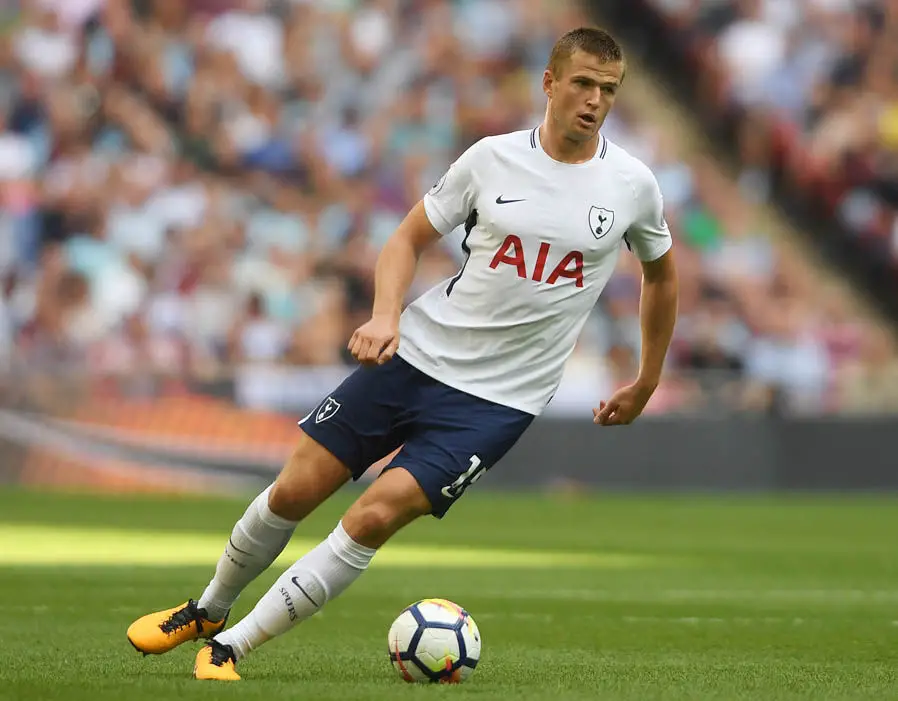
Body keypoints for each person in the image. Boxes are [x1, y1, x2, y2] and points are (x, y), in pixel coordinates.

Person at [126, 26, 679, 681]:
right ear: (550, 83)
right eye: (583, 83)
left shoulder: (631, 185)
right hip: (415, 356)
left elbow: (662, 275)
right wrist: (385, 315)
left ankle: (229, 648)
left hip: (497, 402)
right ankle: (207, 607)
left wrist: (646, 380)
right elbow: (404, 239)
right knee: (294, 489)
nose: (595, 100)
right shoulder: (490, 160)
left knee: (373, 514)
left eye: (608, 90)